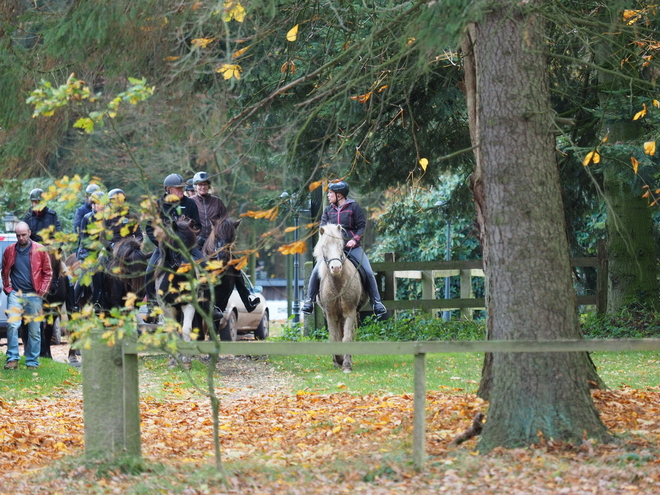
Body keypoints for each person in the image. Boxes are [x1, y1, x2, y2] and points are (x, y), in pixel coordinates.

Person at [301, 181, 387, 316]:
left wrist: (354, 240)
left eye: (330, 193)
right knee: (315, 271)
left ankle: (377, 303)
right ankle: (309, 301)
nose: (328, 195)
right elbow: (322, 229)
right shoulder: (328, 210)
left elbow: (361, 227)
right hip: (332, 250)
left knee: (369, 272)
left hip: (351, 247)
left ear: (339, 195)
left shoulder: (354, 207)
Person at [144, 173, 210, 318]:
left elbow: (198, 226)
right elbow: (149, 229)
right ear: (168, 189)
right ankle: (152, 306)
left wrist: (192, 240)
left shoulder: (190, 203)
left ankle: (209, 306)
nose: (182, 190)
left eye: (182, 188)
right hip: (164, 247)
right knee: (149, 272)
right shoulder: (158, 205)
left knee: (205, 267)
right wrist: (161, 244)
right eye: (178, 188)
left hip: (187, 247)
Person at [2, 221, 53, 370]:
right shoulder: (10, 250)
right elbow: (4, 271)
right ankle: (12, 359)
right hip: (15, 294)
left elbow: (48, 273)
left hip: (34, 294)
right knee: (12, 325)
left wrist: (41, 292)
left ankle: (32, 362)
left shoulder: (40, 250)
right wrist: (8, 288)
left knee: (35, 330)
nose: (21, 238)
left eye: (23, 235)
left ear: (29, 233)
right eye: (18, 235)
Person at [190, 171, 227, 248]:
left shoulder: (217, 201)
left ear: (209, 186)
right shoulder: (190, 202)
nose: (203, 187)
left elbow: (225, 221)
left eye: (205, 184)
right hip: (196, 243)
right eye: (200, 184)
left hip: (215, 243)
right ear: (195, 186)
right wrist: (196, 237)